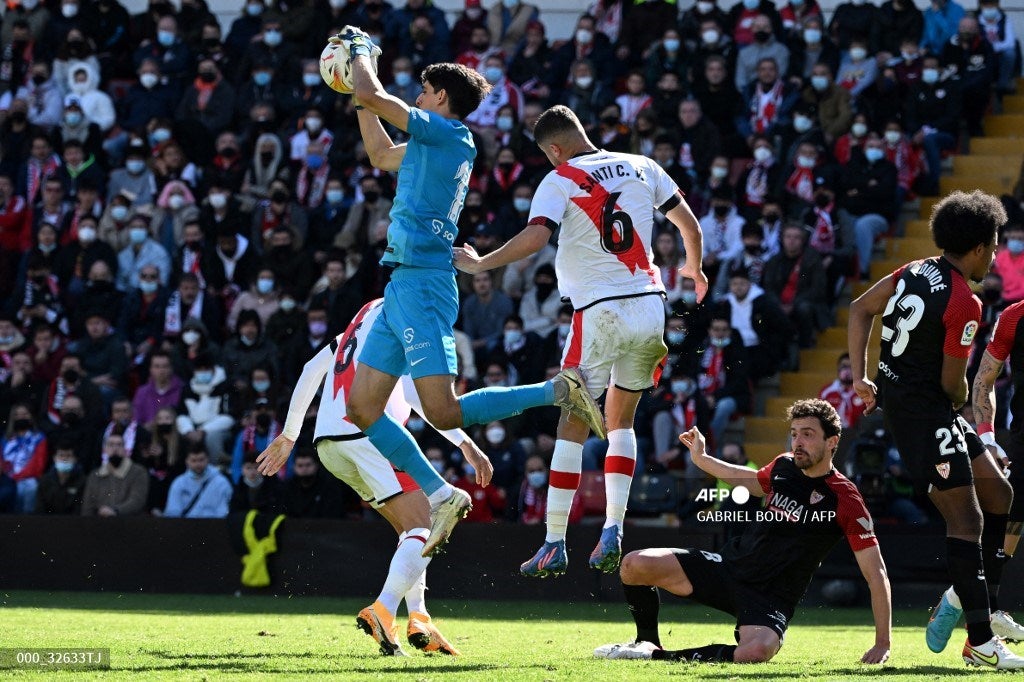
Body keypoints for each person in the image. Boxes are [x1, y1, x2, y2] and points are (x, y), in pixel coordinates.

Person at [335, 28, 604, 566]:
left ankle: (556, 391)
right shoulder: (434, 143)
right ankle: (440, 495)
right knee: (361, 406)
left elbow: (375, 96)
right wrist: (354, 92)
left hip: (427, 283)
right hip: (402, 283)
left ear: (440, 98)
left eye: (423, 90)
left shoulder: (452, 136)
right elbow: (380, 154)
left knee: (442, 410)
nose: (416, 96)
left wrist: (361, 56)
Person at [454, 103, 708, 577]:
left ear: (554, 149)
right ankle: (613, 529)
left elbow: (534, 239)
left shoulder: (560, 179)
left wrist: (479, 263)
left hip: (599, 310)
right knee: (621, 422)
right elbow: (689, 225)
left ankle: (553, 541)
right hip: (651, 304)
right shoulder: (642, 165)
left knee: (573, 419)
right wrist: (693, 267)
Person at [257, 297, 491, 657]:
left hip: (329, 445)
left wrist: (290, 435)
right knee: (427, 525)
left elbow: (309, 369)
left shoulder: (360, 323)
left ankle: (419, 618)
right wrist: (465, 443)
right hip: (370, 436)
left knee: (412, 530)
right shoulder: (406, 315)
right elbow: (418, 393)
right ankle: (383, 610)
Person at [848, 190, 1024, 668]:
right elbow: (953, 383)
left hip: (918, 407)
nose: (994, 255)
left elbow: (860, 308)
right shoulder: (965, 301)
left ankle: (965, 600)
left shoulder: (915, 270)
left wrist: (862, 377)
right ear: (981, 247)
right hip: (924, 415)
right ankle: (982, 641)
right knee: (967, 521)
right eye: (994, 245)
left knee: (1000, 497)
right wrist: (958, 402)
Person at [593, 399, 891, 666]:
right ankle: (647, 640)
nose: (797, 441)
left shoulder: (846, 500)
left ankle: (655, 656)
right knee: (634, 564)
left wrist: (882, 642)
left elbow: (876, 574)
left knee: (756, 651)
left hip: (770, 598)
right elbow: (750, 480)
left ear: (832, 442)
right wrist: (702, 459)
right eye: (794, 433)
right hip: (729, 568)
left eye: (808, 434)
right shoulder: (784, 465)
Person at [163, 445, 232, 518]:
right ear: (187, 461)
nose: (198, 464)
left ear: (207, 459)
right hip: (185, 527)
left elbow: (222, 512)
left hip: (212, 526)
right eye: (194, 460)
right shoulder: (179, 483)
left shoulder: (221, 483)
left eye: (201, 460)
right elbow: (173, 512)